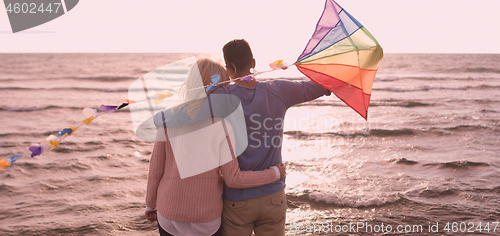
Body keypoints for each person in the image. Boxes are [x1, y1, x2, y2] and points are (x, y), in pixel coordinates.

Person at [145, 58, 286, 236]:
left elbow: (155, 169)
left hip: (169, 215)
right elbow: (233, 179)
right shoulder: (222, 125)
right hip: (205, 218)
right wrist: (274, 173)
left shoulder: (168, 119)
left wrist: (150, 205)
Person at [213, 39, 331, 236]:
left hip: (237, 201)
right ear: (253, 62)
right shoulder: (279, 90)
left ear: (228, 69)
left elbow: (192, 106)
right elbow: (320, 86)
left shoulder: (221, 96)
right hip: (273, 196)